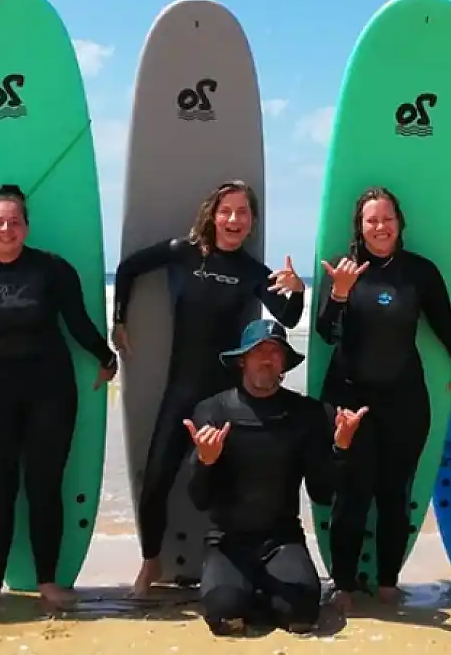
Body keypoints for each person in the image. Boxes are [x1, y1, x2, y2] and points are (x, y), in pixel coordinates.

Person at [112, 180, 306, 597]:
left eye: (243, 213)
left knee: (230, 482)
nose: (234, 219)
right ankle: (150, 562)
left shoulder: (254, 273)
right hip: (182, 389)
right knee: (157, 478)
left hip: (226, 399)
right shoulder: (182, 253)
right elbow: (128, 268)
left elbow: (286, 319)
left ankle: (237, 563)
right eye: (227, 211)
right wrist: (119, 320)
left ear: (252, 222)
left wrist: (298, 291)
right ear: (213, 215)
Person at [0, 184, 118, 613]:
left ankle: (48, 582)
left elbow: (77, 322)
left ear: (27, 227)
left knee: (45, 486)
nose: (6, 229)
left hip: (50, 391)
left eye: (14, 221)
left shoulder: (53, 270)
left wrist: (105, 356)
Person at [316, 185, 451, 611]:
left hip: (405, 401)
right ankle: (343, 585)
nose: (380, 227)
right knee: (352, 492)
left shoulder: (419, 272)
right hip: (350, 400)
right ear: (360, 227)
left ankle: (388, 582)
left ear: (399, 223)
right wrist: (340, 293)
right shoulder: (346, 271)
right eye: (372, 220)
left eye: (387, 219)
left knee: (394, 494)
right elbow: (325, 334)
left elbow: (442, 317)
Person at [185, 318, 367, 636]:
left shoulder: (308, 414)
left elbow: (322, 493)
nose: (267, 358)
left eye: (276, 352)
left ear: (284, 362)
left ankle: (262, 592)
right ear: (243, 359)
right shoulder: (213, 412)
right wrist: (205, 462)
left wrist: (341, 448)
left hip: (281, 540)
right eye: (259, 351)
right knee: (223, 617)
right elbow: (199, 499)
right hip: (227, 541)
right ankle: (245, 590)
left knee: (302, 618)